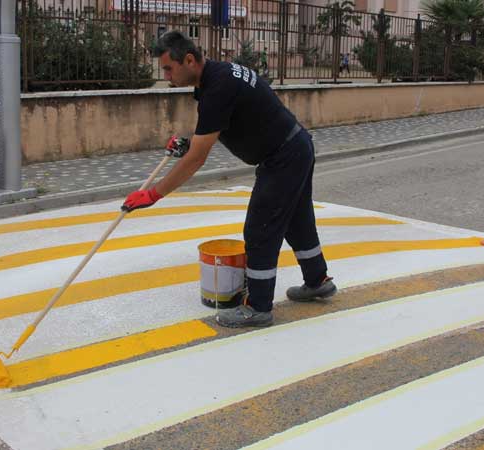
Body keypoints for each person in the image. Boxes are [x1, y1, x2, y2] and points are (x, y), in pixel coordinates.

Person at [123, 30, 336, 328]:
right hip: (295, 146)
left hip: (283, 156)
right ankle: (317, 280)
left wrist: (153, 194)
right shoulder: (219, 76)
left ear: (188, 60)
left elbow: (197, 159)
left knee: (260, 229)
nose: (167, 76)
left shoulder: (217, 88)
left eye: (169, 69)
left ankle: (258, 307)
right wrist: (189, 142)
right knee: (296, 220)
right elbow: (216, 129)